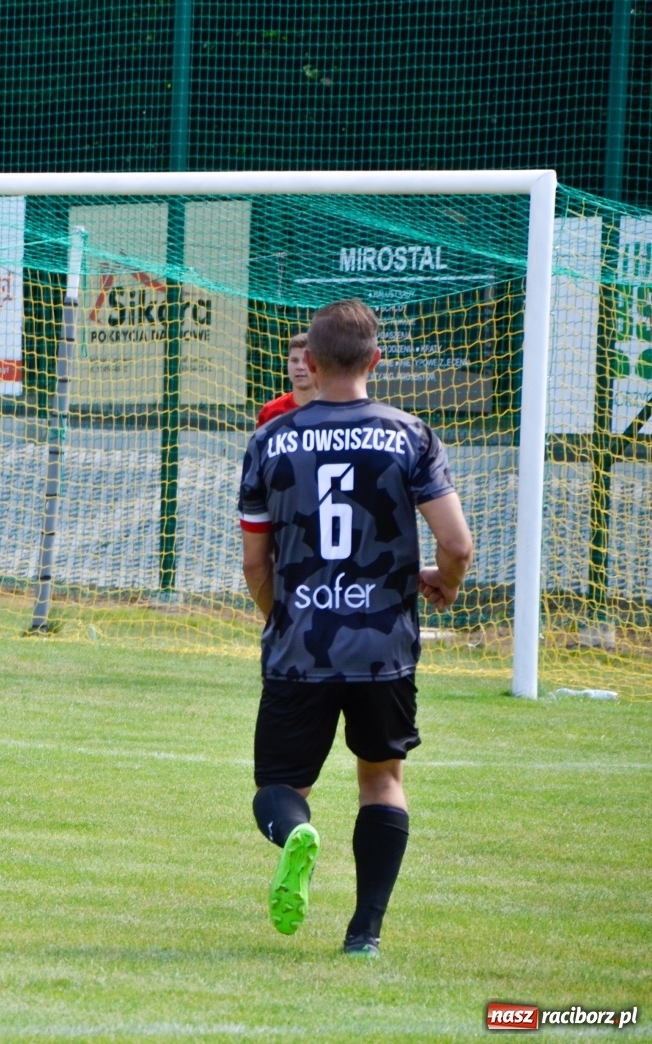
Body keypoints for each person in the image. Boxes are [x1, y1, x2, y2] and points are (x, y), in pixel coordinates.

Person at [236, 298, 473, 958]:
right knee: (382, 781)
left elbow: (256, 561)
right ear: (376, 360)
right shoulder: (410, 434)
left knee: (281, 790)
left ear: (307, 362)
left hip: (299, 646)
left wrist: (281, 618)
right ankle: (364, 932)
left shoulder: (271, 439)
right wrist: (443, 585)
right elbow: (457, 544)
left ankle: (295, 836)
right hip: (382, 648)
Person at [257, 330, 316, 427]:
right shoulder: (270, 412)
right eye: (294, 360)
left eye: (306, 360)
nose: (300, 367)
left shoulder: (334, 412)